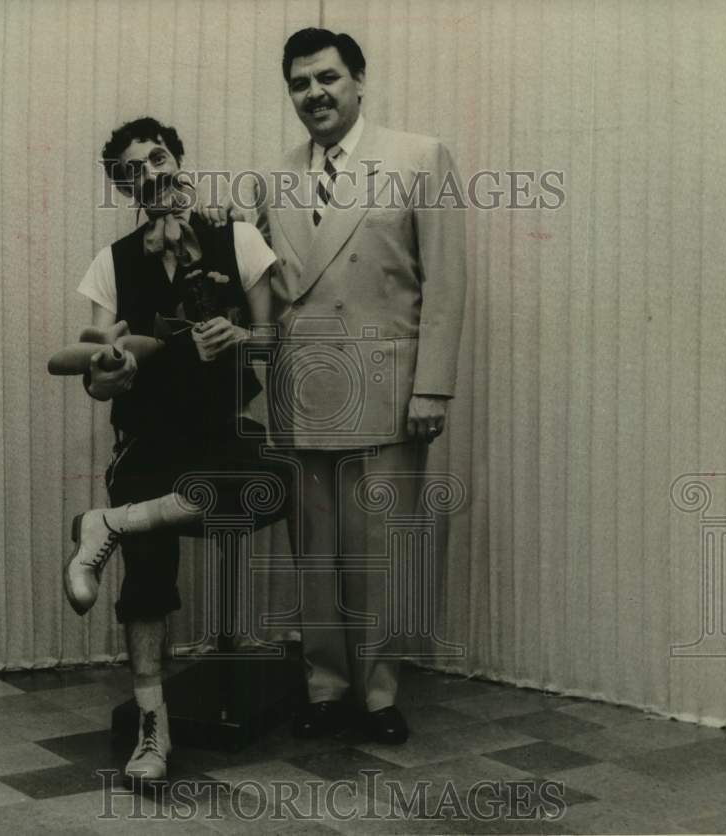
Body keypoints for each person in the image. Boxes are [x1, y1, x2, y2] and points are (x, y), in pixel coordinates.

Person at [255, 28, 467, 744]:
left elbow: (446, 282)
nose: (314, 94)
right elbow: (260, 290)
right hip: (304, 390)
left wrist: (432, 387)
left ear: (358, 81)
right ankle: (324, 685)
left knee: (381, 546)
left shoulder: (418, 157)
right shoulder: (274, 177)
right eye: (299, 83)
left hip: (387, 388)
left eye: (327, 78)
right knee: (314, 551)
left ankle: (378, 693)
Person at [65, 116, 280, 786]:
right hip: (150, 443)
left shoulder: (237, 238)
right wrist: (112, 373)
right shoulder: (112, 263)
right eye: (133, 169)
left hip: (223, 435)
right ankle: (152, 731)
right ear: (123, 186)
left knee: (276, 485)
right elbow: (98, 372)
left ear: (181, 160)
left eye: (158, 156)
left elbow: (276, 340)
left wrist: (240, 336)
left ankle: (109, 525)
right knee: (148, 568)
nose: (151, 173)